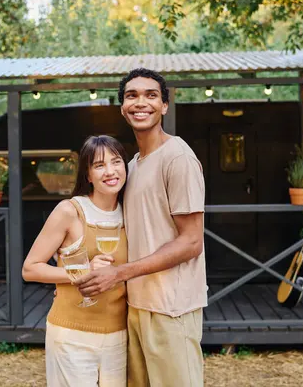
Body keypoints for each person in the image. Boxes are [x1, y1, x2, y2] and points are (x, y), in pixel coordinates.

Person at [76, 68, 207, 386]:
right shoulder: (130, 166)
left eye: (151, 95)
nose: (141, 102)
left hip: (171, 308)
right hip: (136, 304)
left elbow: (191, 242)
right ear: (122, 107)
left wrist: (120, 274)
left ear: (165, 105)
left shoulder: (178, 159)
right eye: (132, 95)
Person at [22, 135, 129, 387]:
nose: (110, 171)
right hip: (73, 336)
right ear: (88, 175)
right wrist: (81, 273)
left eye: (116, 162)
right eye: (99, 165)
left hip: (119, 335)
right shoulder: (70, 211)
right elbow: (30, 269)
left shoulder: (131, 211)